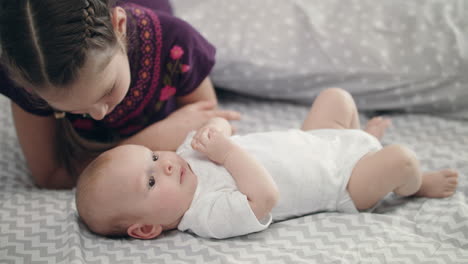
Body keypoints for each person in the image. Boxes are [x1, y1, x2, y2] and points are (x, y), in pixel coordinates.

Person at [75, 88, 459, 239]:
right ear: (146, 228)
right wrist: (225, 152)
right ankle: (413, 184)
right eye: (152, 183)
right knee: (402, 161)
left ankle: (363, 141)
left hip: (315, 140)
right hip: (342, 185)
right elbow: (265, 197)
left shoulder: (185, 158)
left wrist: (213, 128)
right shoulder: (205, 215)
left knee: (337, 99)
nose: (167, 166)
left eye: (154, 157)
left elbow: (220, 127)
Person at [0, 0, 240, 189]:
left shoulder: (177, 43)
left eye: (107, 90)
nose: (98, 114)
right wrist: (152, 139)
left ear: (120, 27)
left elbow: (211, 131)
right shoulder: (32, 74)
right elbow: (52, 176)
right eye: (68, 108)